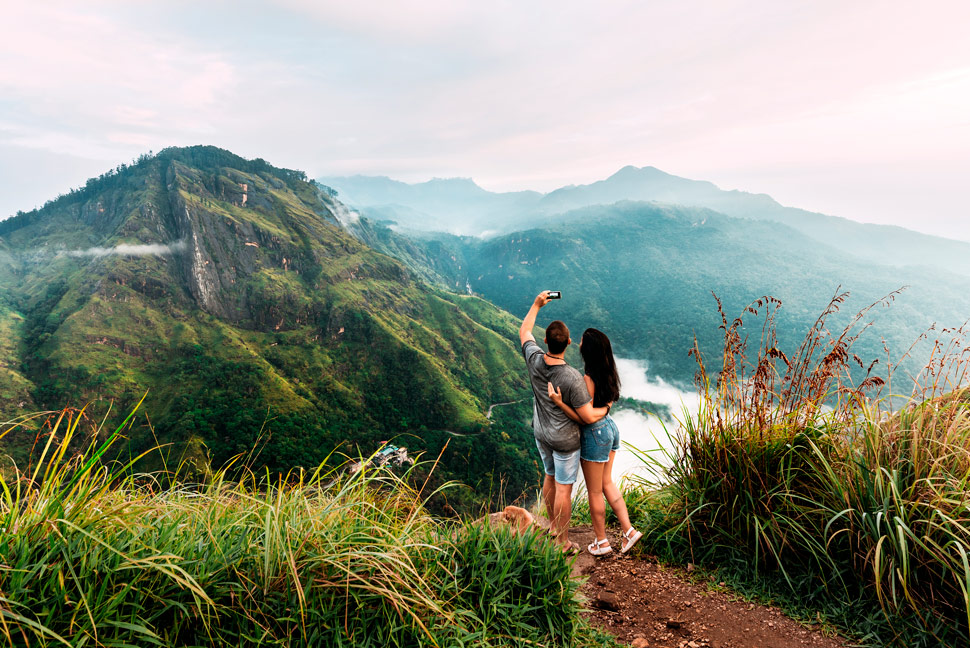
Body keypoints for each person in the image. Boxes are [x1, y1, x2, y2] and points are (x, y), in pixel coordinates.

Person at [519, 291, 603, 553]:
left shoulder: (533, 359)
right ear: (568, 342)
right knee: (564, 489)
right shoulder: (572, 377)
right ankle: (562, 542)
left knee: (549, 476)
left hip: (541, 433)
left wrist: (536, 304)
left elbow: (524, 331)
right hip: (565, 441)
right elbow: (587, 416)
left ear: (545, 341)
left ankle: (554, 527)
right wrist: (606, 408)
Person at [548, 328, 642, 556]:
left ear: (587, 350)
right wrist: (606, 409)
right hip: (610, 428)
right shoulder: (609, 372)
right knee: (607, 483)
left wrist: (559, 403)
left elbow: (585, 417)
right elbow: (605, 405)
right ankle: (628, 531)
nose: (578, 343)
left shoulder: (587, 379)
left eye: (581, 341)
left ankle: (602, 542)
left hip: (595, 434)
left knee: (595, 492)